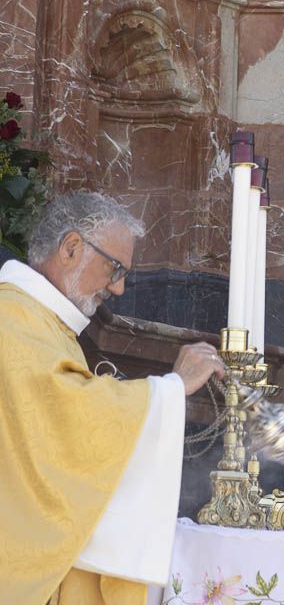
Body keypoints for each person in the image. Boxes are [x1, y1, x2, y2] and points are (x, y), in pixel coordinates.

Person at [0, 192, 225, 605]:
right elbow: (68, 414)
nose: (118, 288)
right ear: (70, 248)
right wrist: (173, 387)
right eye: (115, 268)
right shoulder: (12, 317)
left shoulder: (43, 323)